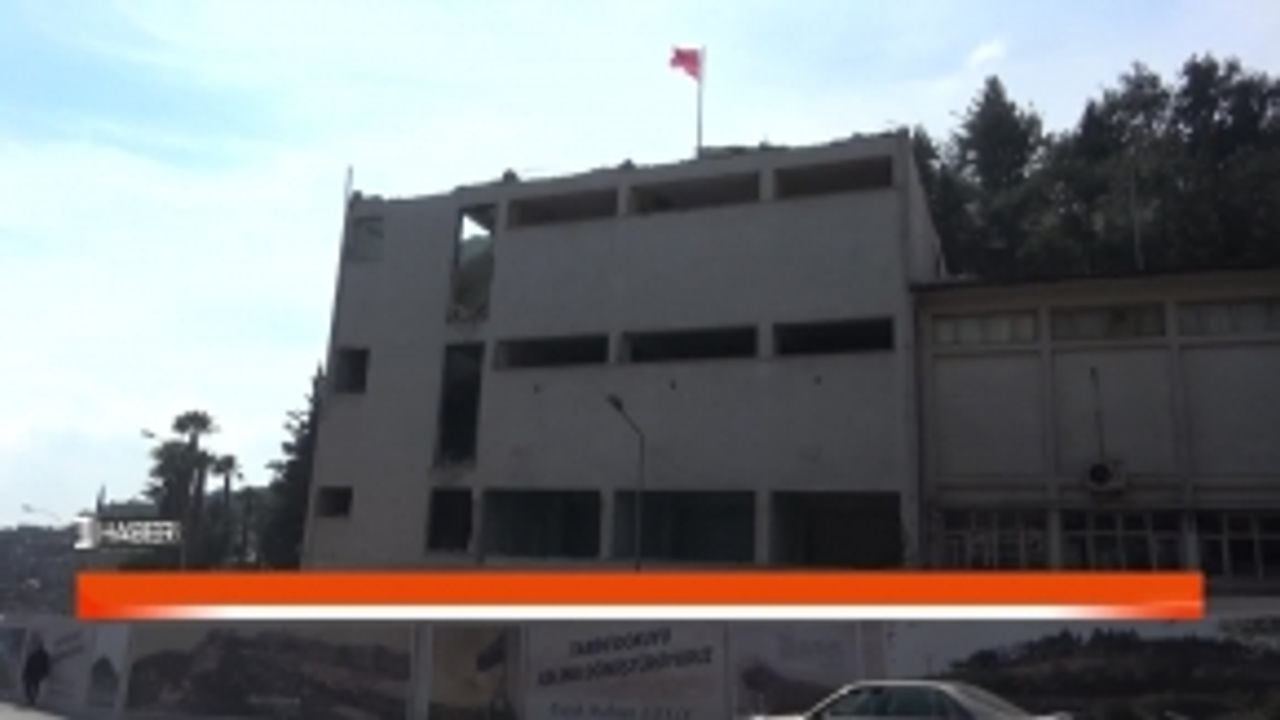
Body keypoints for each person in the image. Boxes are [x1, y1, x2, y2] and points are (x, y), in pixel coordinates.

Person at [22, 638, 51, 706]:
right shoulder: (36, 654)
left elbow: (46, 665)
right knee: (31, 686)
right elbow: (28, 664)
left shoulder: (42, 655)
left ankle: (32, 700)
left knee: (33, 686)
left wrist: (45, 673)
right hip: (34, 673)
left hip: (36, 673)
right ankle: (31, 699)